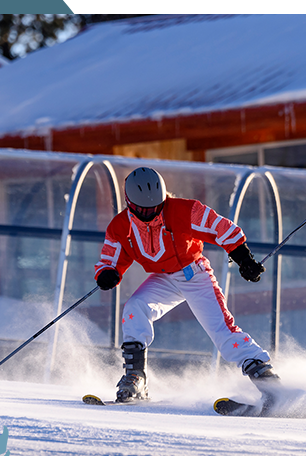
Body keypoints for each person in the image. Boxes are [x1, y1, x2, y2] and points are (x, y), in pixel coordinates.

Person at [94, 166, 279, 402]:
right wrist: (106, 273)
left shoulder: (184, 210)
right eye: (142, 209)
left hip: (194, 274)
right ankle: (135, 377)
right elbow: (109, 258)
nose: (149, 213)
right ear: (130, 203)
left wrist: (244, 258)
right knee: (134, 308)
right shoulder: (121, 227)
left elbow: (220, 227)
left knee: (221, 329)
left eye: (155, 207)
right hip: (162, 278)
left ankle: (268, 381)